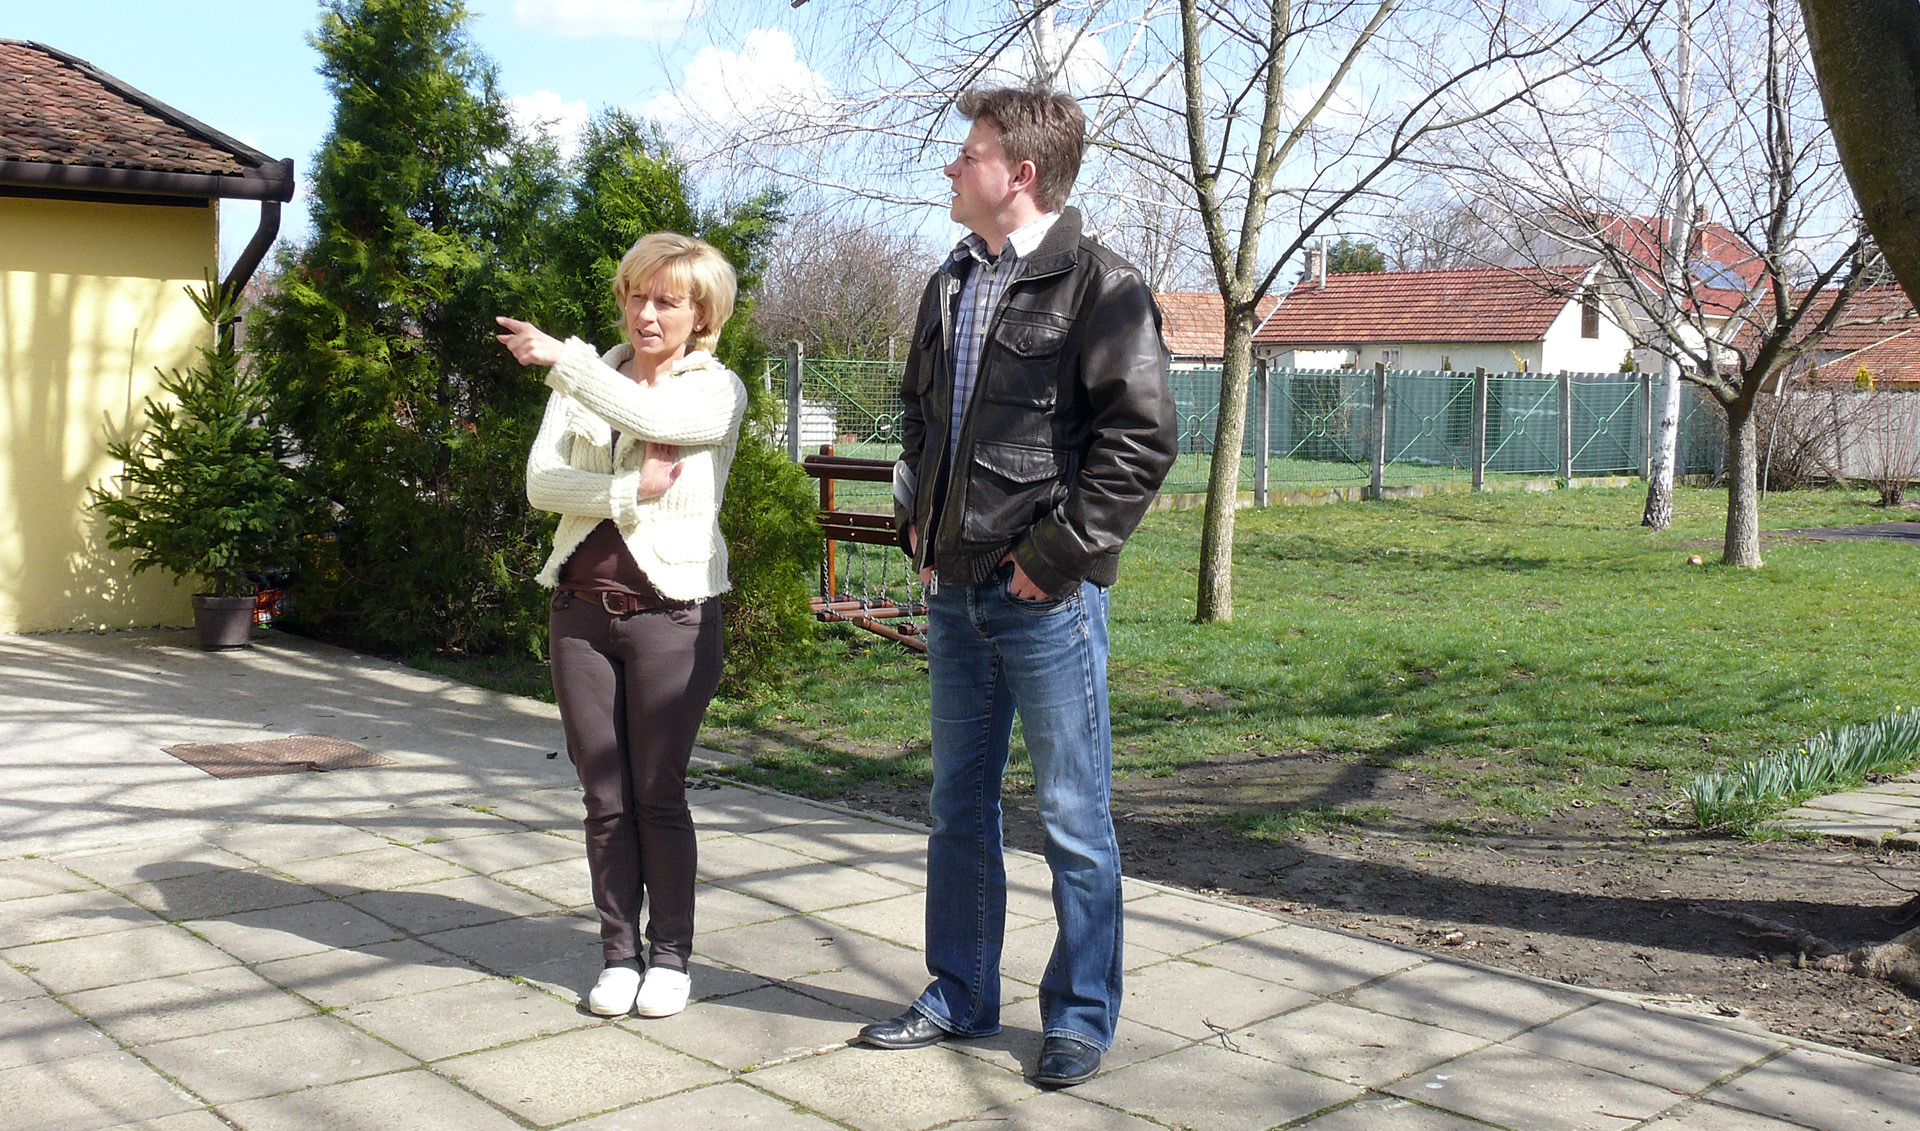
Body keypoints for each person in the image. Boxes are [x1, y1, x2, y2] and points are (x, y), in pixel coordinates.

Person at [858, 88, 1176, 1087]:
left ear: (1021, 173)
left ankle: (1080, 1015)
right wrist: (915, 519)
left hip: (1046, 599)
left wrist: (1054, 558)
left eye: (970, 153)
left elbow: (1140, 441)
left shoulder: (1102, 285)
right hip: (952, 591)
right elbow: (919, 413)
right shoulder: (950, 280)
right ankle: (959, 991)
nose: (952, 168)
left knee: (1074, 814)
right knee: (957, 804)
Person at [496, 232, 747, 1020]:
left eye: (667, 301)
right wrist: (628, 490)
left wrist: (564, 360)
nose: (646, 313)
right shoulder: (588, 380)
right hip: (579, 614)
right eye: (637, 295)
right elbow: (541, 484)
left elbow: (650, 412)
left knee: (656, 792)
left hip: (672, 617)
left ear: (701, 315)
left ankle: (670, 956)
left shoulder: (715, 390)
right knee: (603, 796)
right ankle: (618, 954)